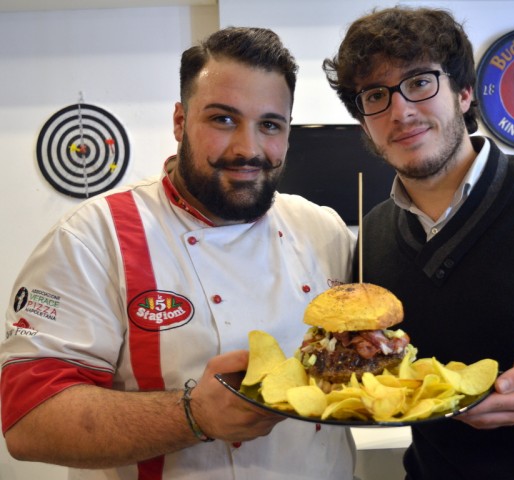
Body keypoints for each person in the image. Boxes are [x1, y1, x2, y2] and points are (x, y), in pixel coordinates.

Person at [1, 27, 356, 480]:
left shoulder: (321, 227)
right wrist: (193, 415)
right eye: (223, 119)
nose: (248, 148)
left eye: (270, 125)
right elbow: (28, 420)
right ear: (178, 121)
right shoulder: (94, 237)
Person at [323, 6, 514, 479]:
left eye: (420, 82)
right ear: (364, 124)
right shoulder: (375, 233)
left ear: (465, 93)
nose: (401, 109)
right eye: (375, 95)